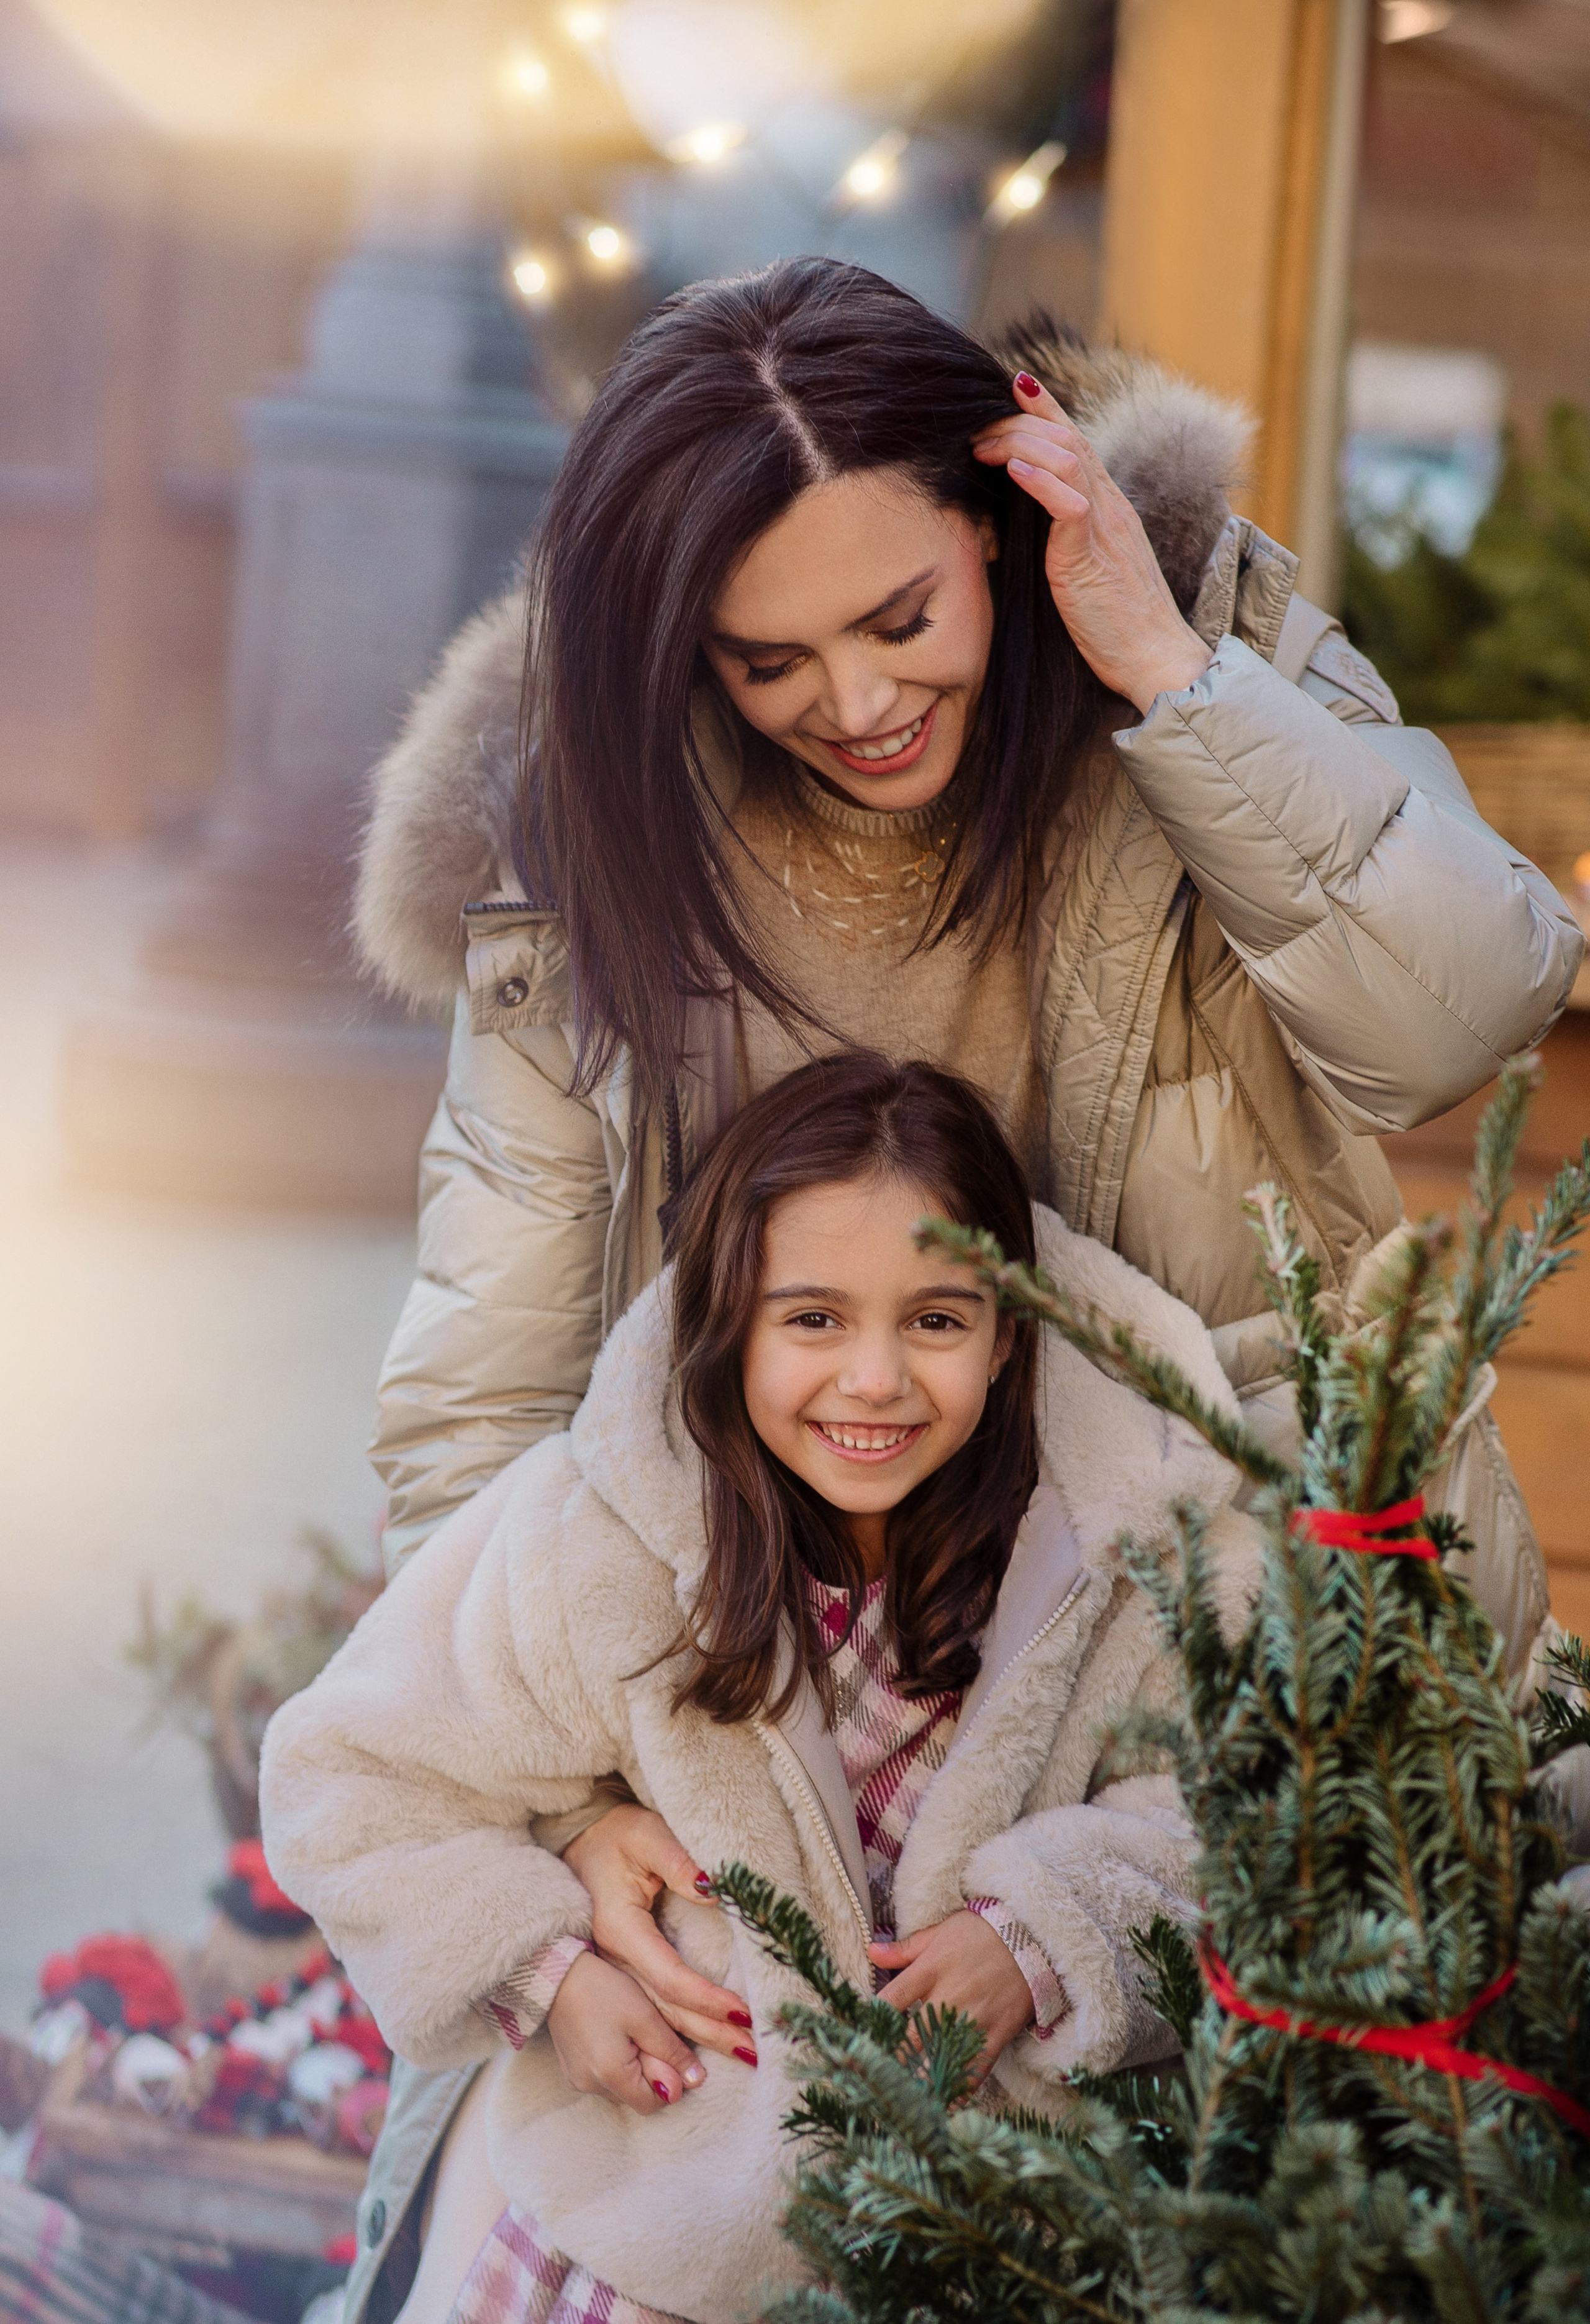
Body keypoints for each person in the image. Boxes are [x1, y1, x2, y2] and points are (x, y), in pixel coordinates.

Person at [343, 255, 1583, 2316]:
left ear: (1003, 514)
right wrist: (557, 1817)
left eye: (901, 617)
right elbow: (488, 1376)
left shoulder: (1194, 633)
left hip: (1254, 1648)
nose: (851, 701)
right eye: (766, 661)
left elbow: (1468, 1004)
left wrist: (1166, 671)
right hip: (776, 1703)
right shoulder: (586, 830)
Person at [262, 1055, 1260, 2324]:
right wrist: (550, 1968)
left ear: (1010, 1334)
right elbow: (351, 1775)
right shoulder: (603, 1542)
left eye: (937, 1320)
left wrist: (1044, 1937)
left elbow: (1239, 1810)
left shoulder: (1125, 1557)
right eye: (813, 1318)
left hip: (997, 2248)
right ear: (729, 1319)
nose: (875, 1378)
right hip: (664, 2238)